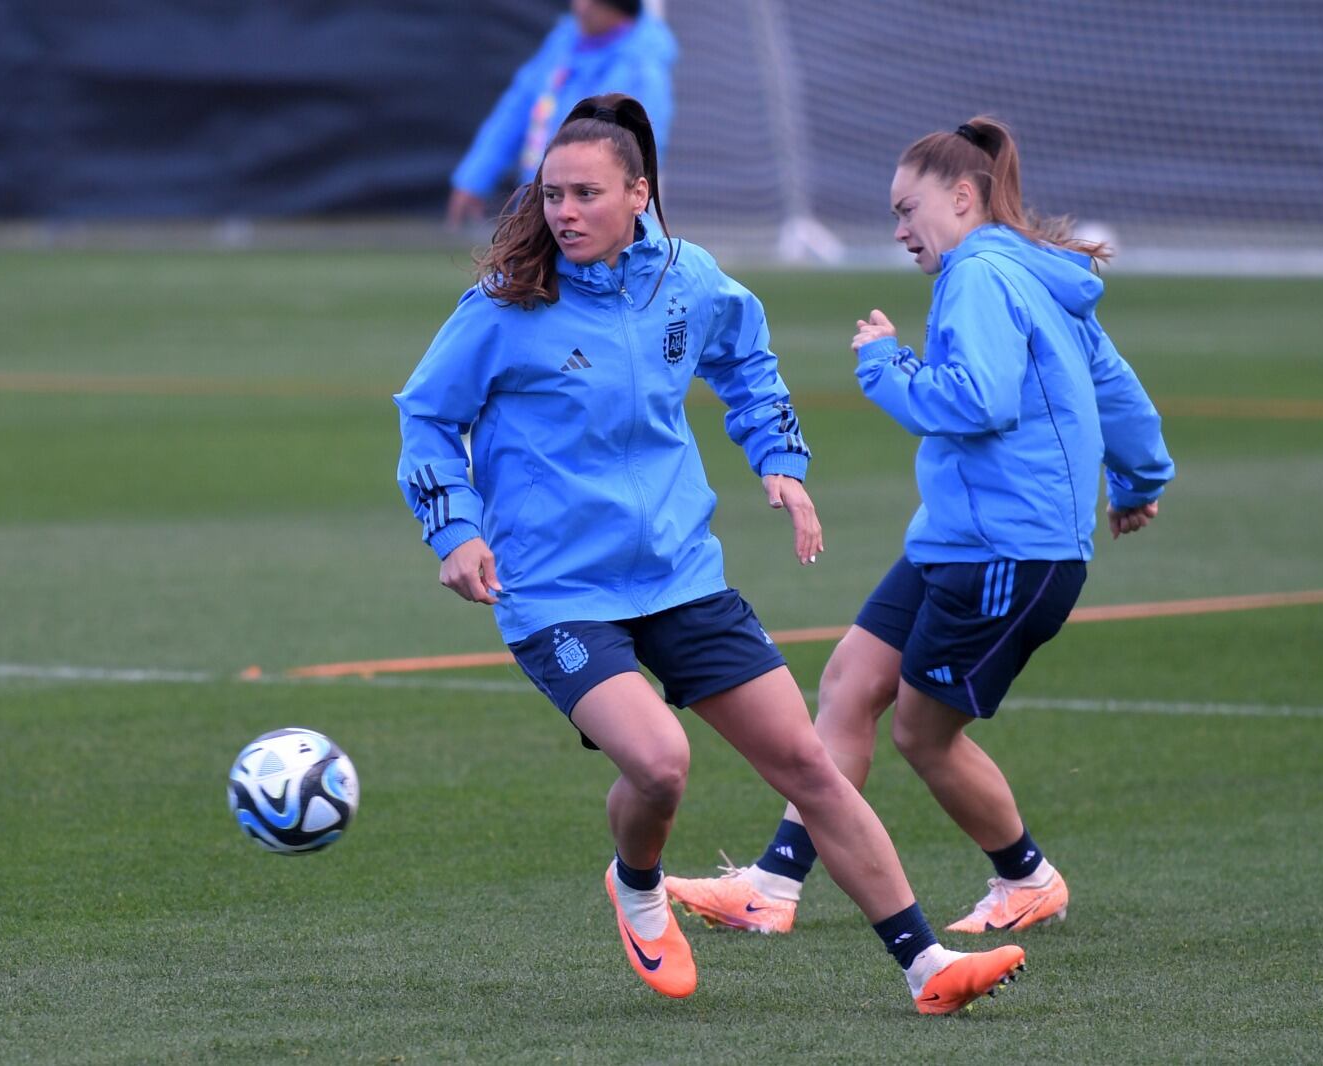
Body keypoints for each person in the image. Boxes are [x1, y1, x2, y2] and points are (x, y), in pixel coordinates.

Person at [396, 94, 1026, 1014]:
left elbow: (746, 359)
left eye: (586, 194)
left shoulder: (686, 280)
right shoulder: (504, 306)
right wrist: (454, 530)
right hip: (559, 591)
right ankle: (638, 886)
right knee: (659, 763)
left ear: (638, 194)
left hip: (681, 575)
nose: (564, 212)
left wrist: (780, 462)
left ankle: (928, 967)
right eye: (552, 194)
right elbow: (425, 417)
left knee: (810, 767)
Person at [666, 115, 1175, 938]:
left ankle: (1028, 878)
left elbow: (978, 401)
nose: (899, 230)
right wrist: (1139, 479)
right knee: (849, 682)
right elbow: (1112, 384)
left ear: (965, 198)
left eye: (908, 210)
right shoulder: (1034, 272)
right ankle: (774, 884)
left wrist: (885, 364)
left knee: (922, 734)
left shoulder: (979, 274)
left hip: (1013, 548)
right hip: (960, 539)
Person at [445, 0, 677, 229]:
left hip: (597, 223)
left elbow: (642, 152)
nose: (580, 7)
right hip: (538, 210)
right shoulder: (562, 43)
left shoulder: (642, 69)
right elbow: (515, 110)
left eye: (592, 2)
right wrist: (475, 177)